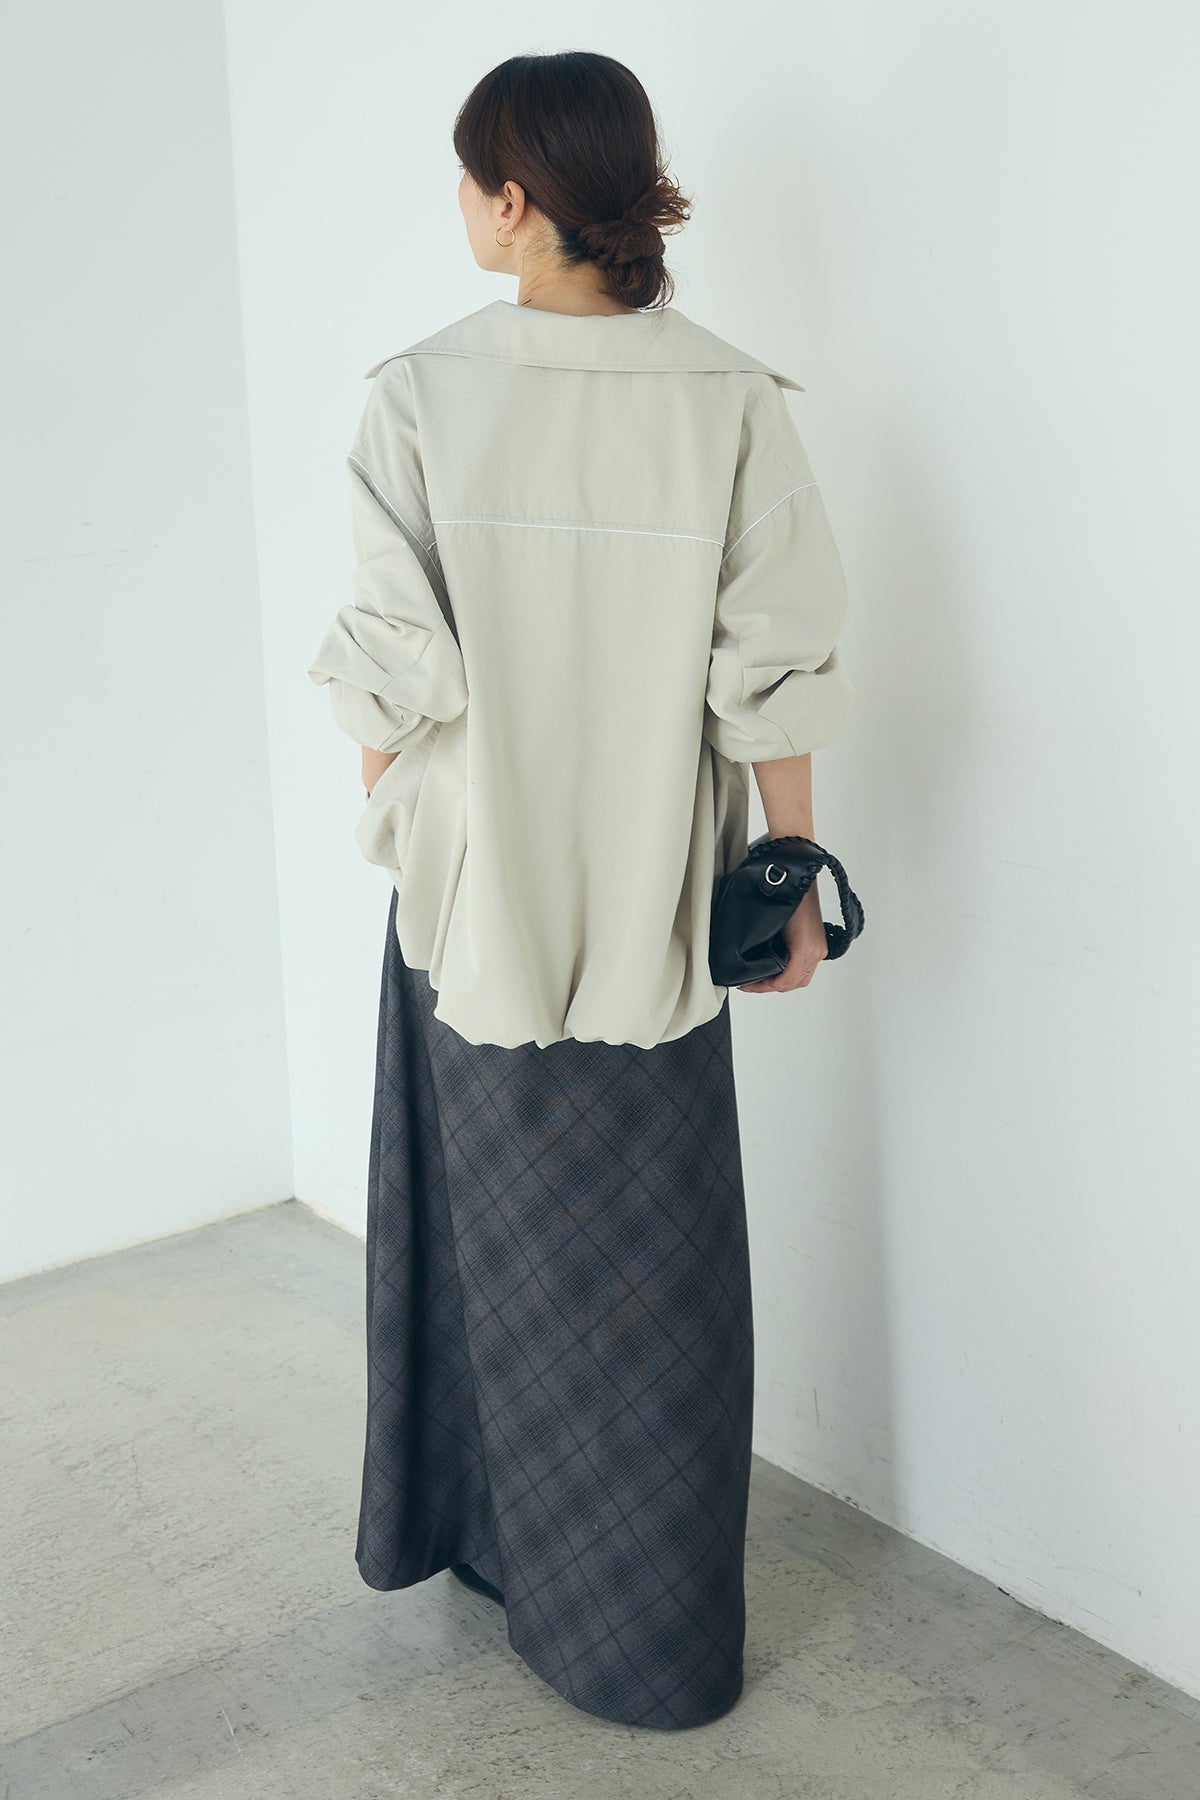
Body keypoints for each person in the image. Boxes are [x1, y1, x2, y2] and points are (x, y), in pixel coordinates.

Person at [307, 51, 855, 1732]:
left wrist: (399, 808)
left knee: (481, 1242)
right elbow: (776, 667)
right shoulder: (730, 398)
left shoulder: (422, 393)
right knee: (657, 1276)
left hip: (475, 907)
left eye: (469, 181)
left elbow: (390, 672)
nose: (464, 209)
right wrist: (791, 877)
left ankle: (491, 1546)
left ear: (516, 198)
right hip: (657, 916)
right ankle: (654, 1638)